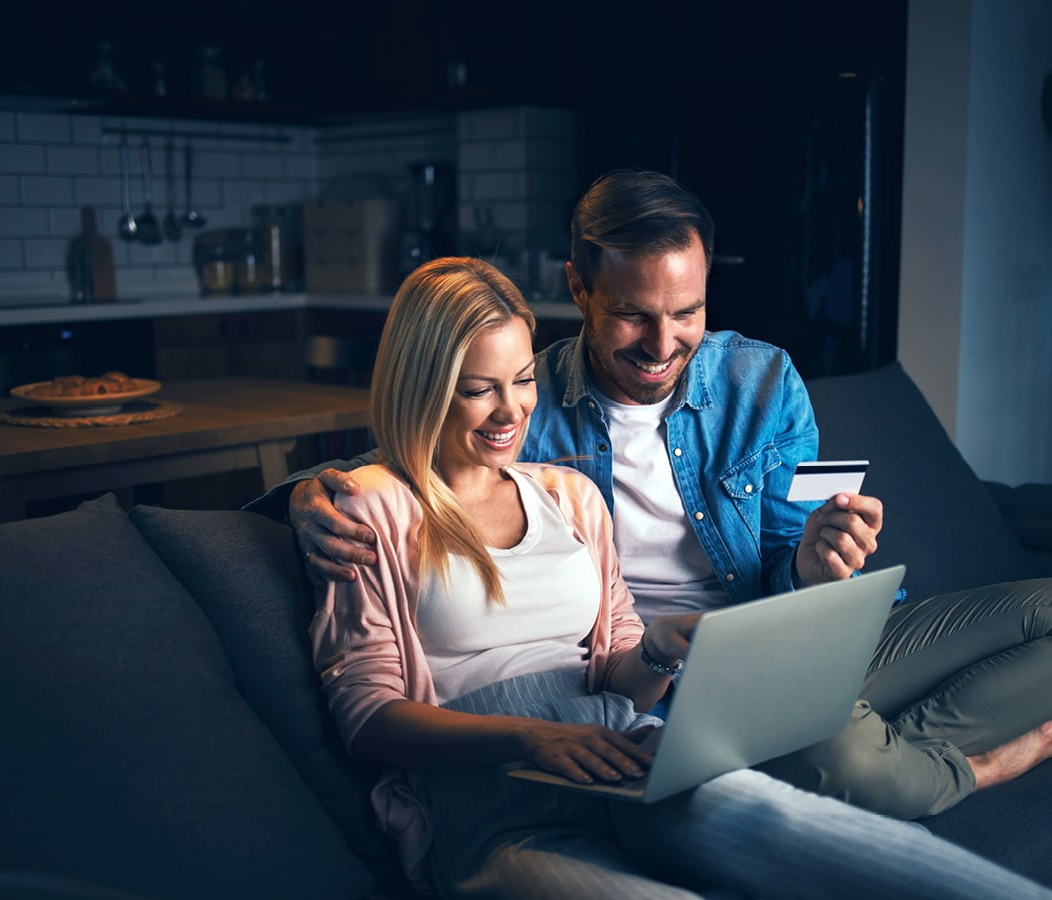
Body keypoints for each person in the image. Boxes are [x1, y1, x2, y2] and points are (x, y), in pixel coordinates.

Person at [261, 168, 1052, 820]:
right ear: (578, 287)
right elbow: (400, 457)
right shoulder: (525, 409)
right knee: (841, 756)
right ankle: (969, 768)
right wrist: (302, 497)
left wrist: (814, 566)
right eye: (633, 316)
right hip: (675, 684)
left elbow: (787, 567)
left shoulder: (761, 378)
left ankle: (890, 750)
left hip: (792, 634)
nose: (664, 344)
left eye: (689, 313)